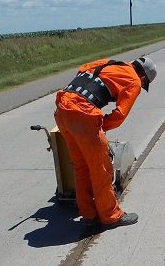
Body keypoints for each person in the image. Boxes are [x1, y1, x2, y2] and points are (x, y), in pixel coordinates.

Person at [54, 56, 157, 229]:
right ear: (144, 77)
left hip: (62, 109)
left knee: (81, 166)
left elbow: (83, 68)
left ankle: (88, 214)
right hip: (82, 114)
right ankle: (111, 216)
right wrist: (99, 128)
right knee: (101, 169)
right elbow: (119, 116)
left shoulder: (110, 63)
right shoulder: (134, 81)